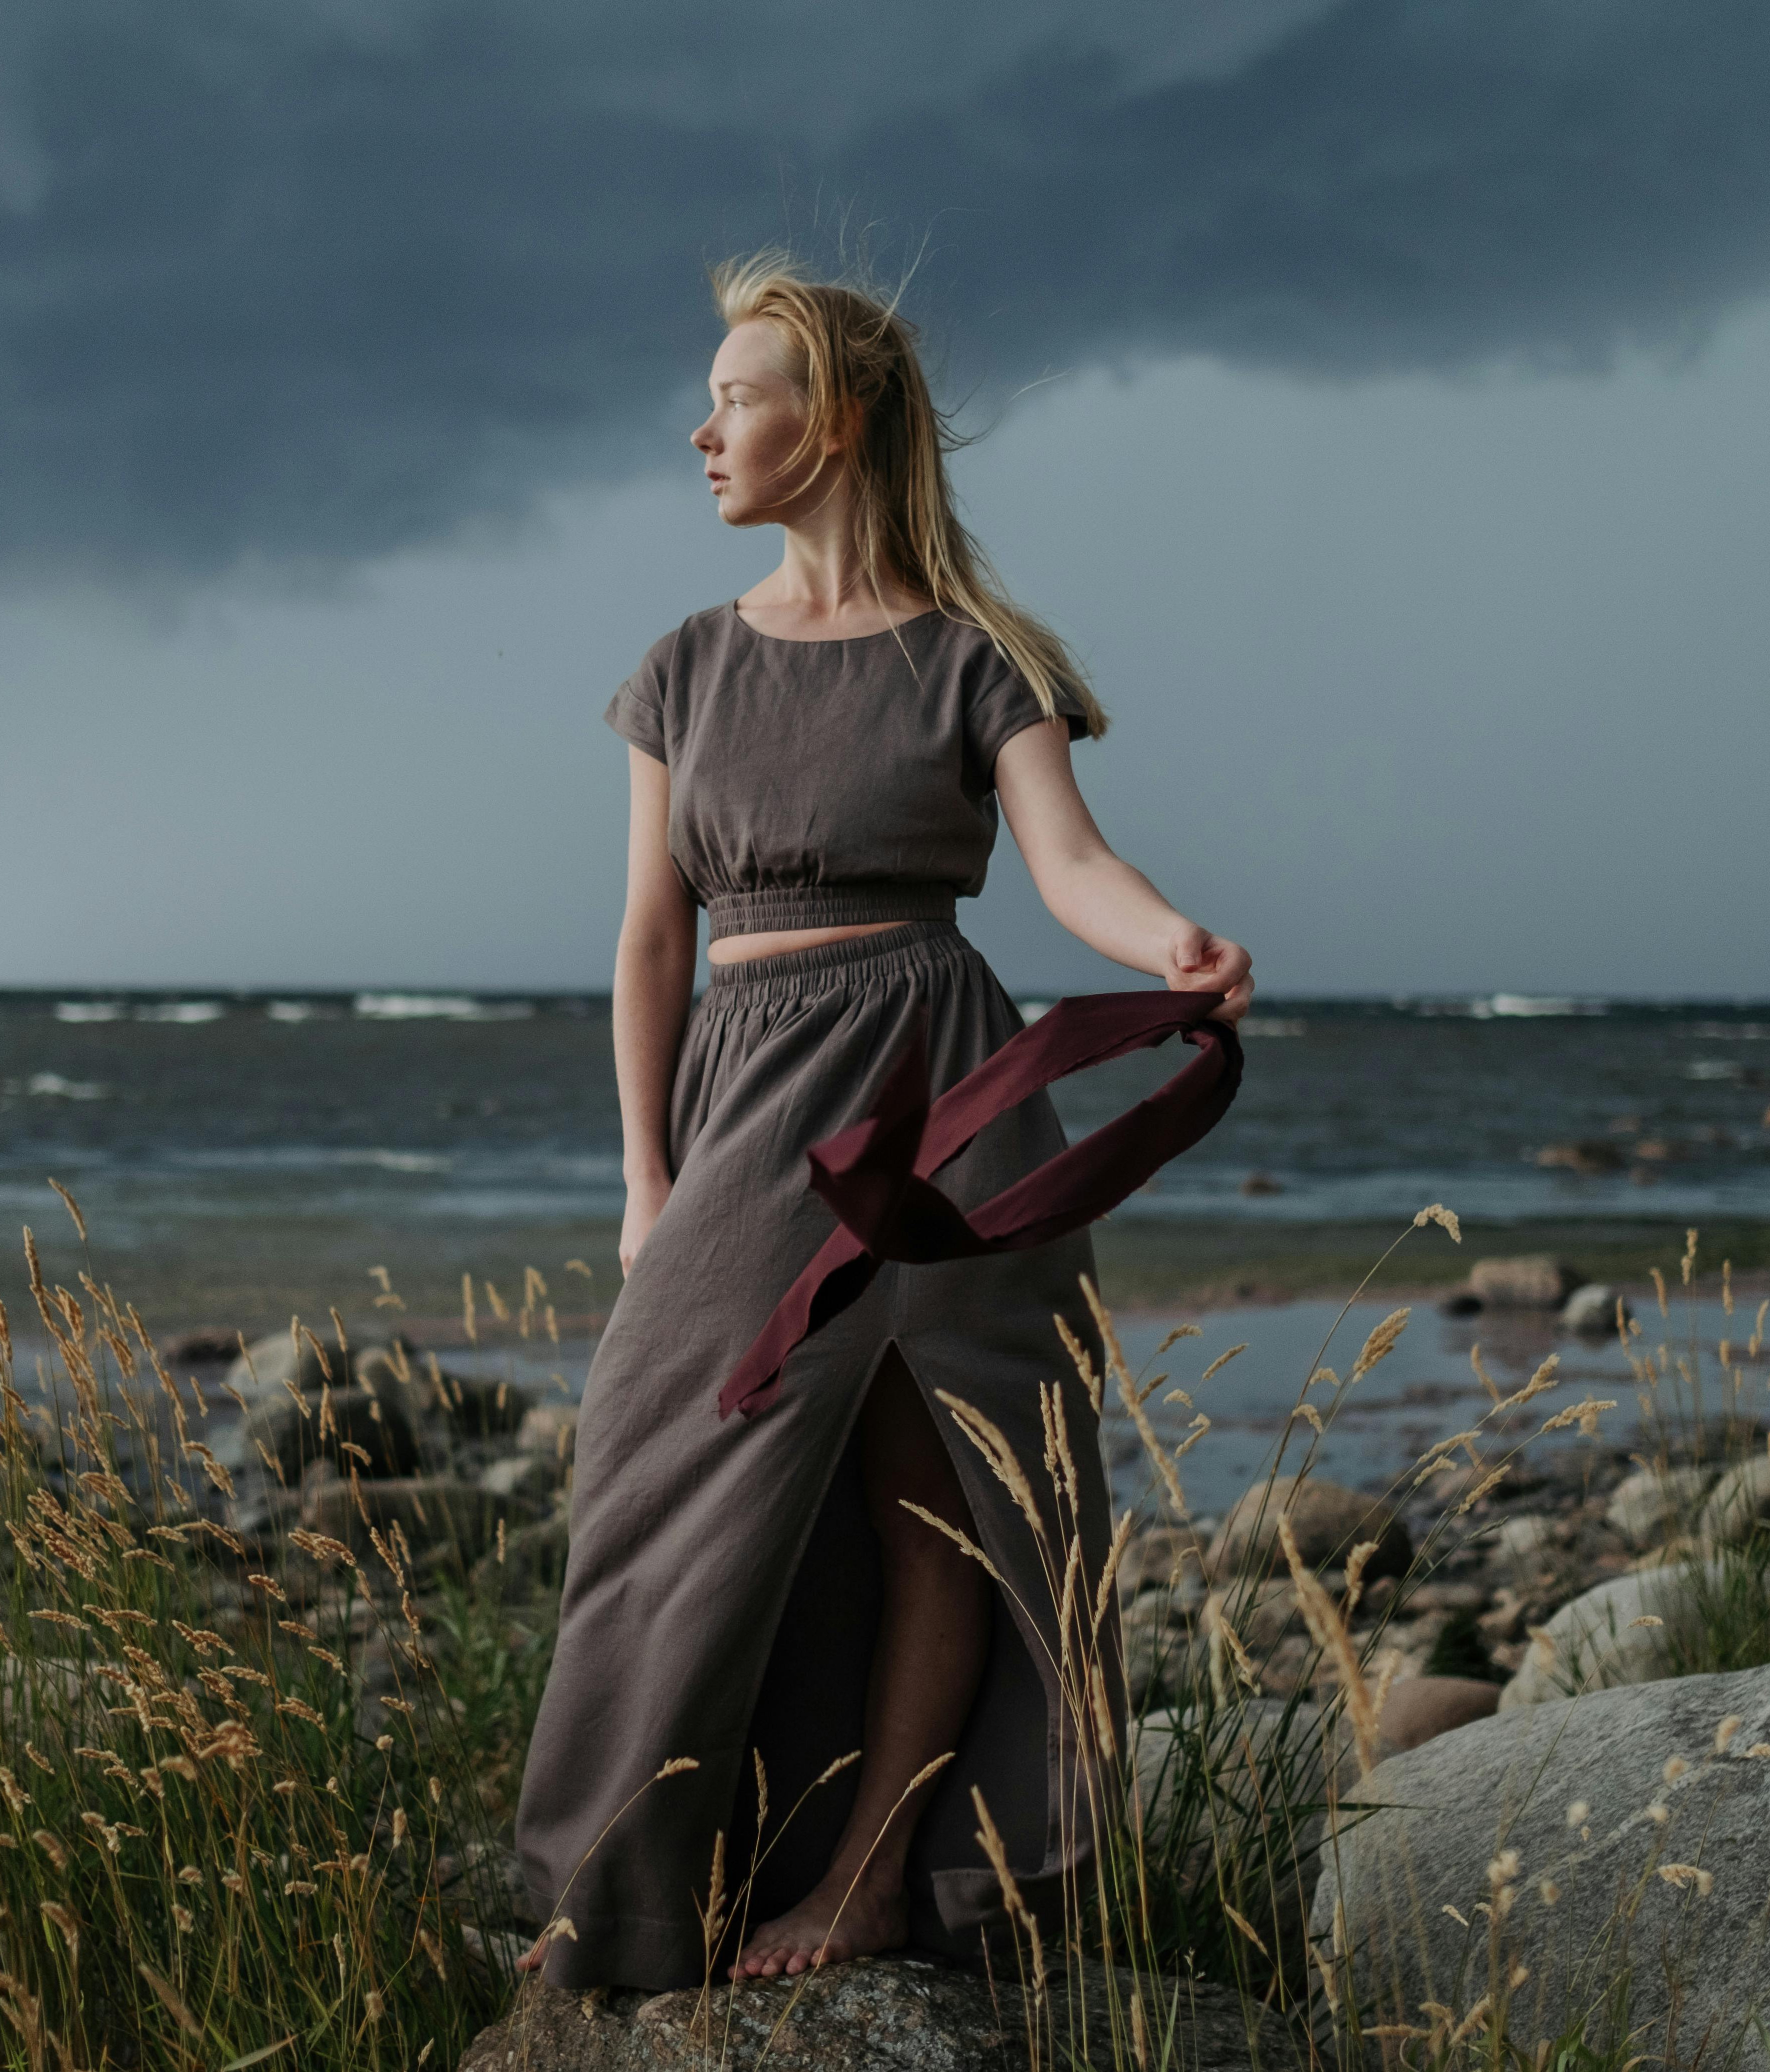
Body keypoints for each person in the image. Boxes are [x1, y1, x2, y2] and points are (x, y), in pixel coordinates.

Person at [512, 253, 1254, 1993]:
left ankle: (873, 1885)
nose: (703, 432)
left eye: (738, 398)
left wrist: (1174, 945)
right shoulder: (684, 667)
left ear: (836, 422)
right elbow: (650, 939)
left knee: (945, 1507)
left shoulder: (976, 658)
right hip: (744, 1095)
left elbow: (1069, 861)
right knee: (655, 1480)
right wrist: (644, 1176)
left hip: (936, 1091)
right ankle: (620, 1899)